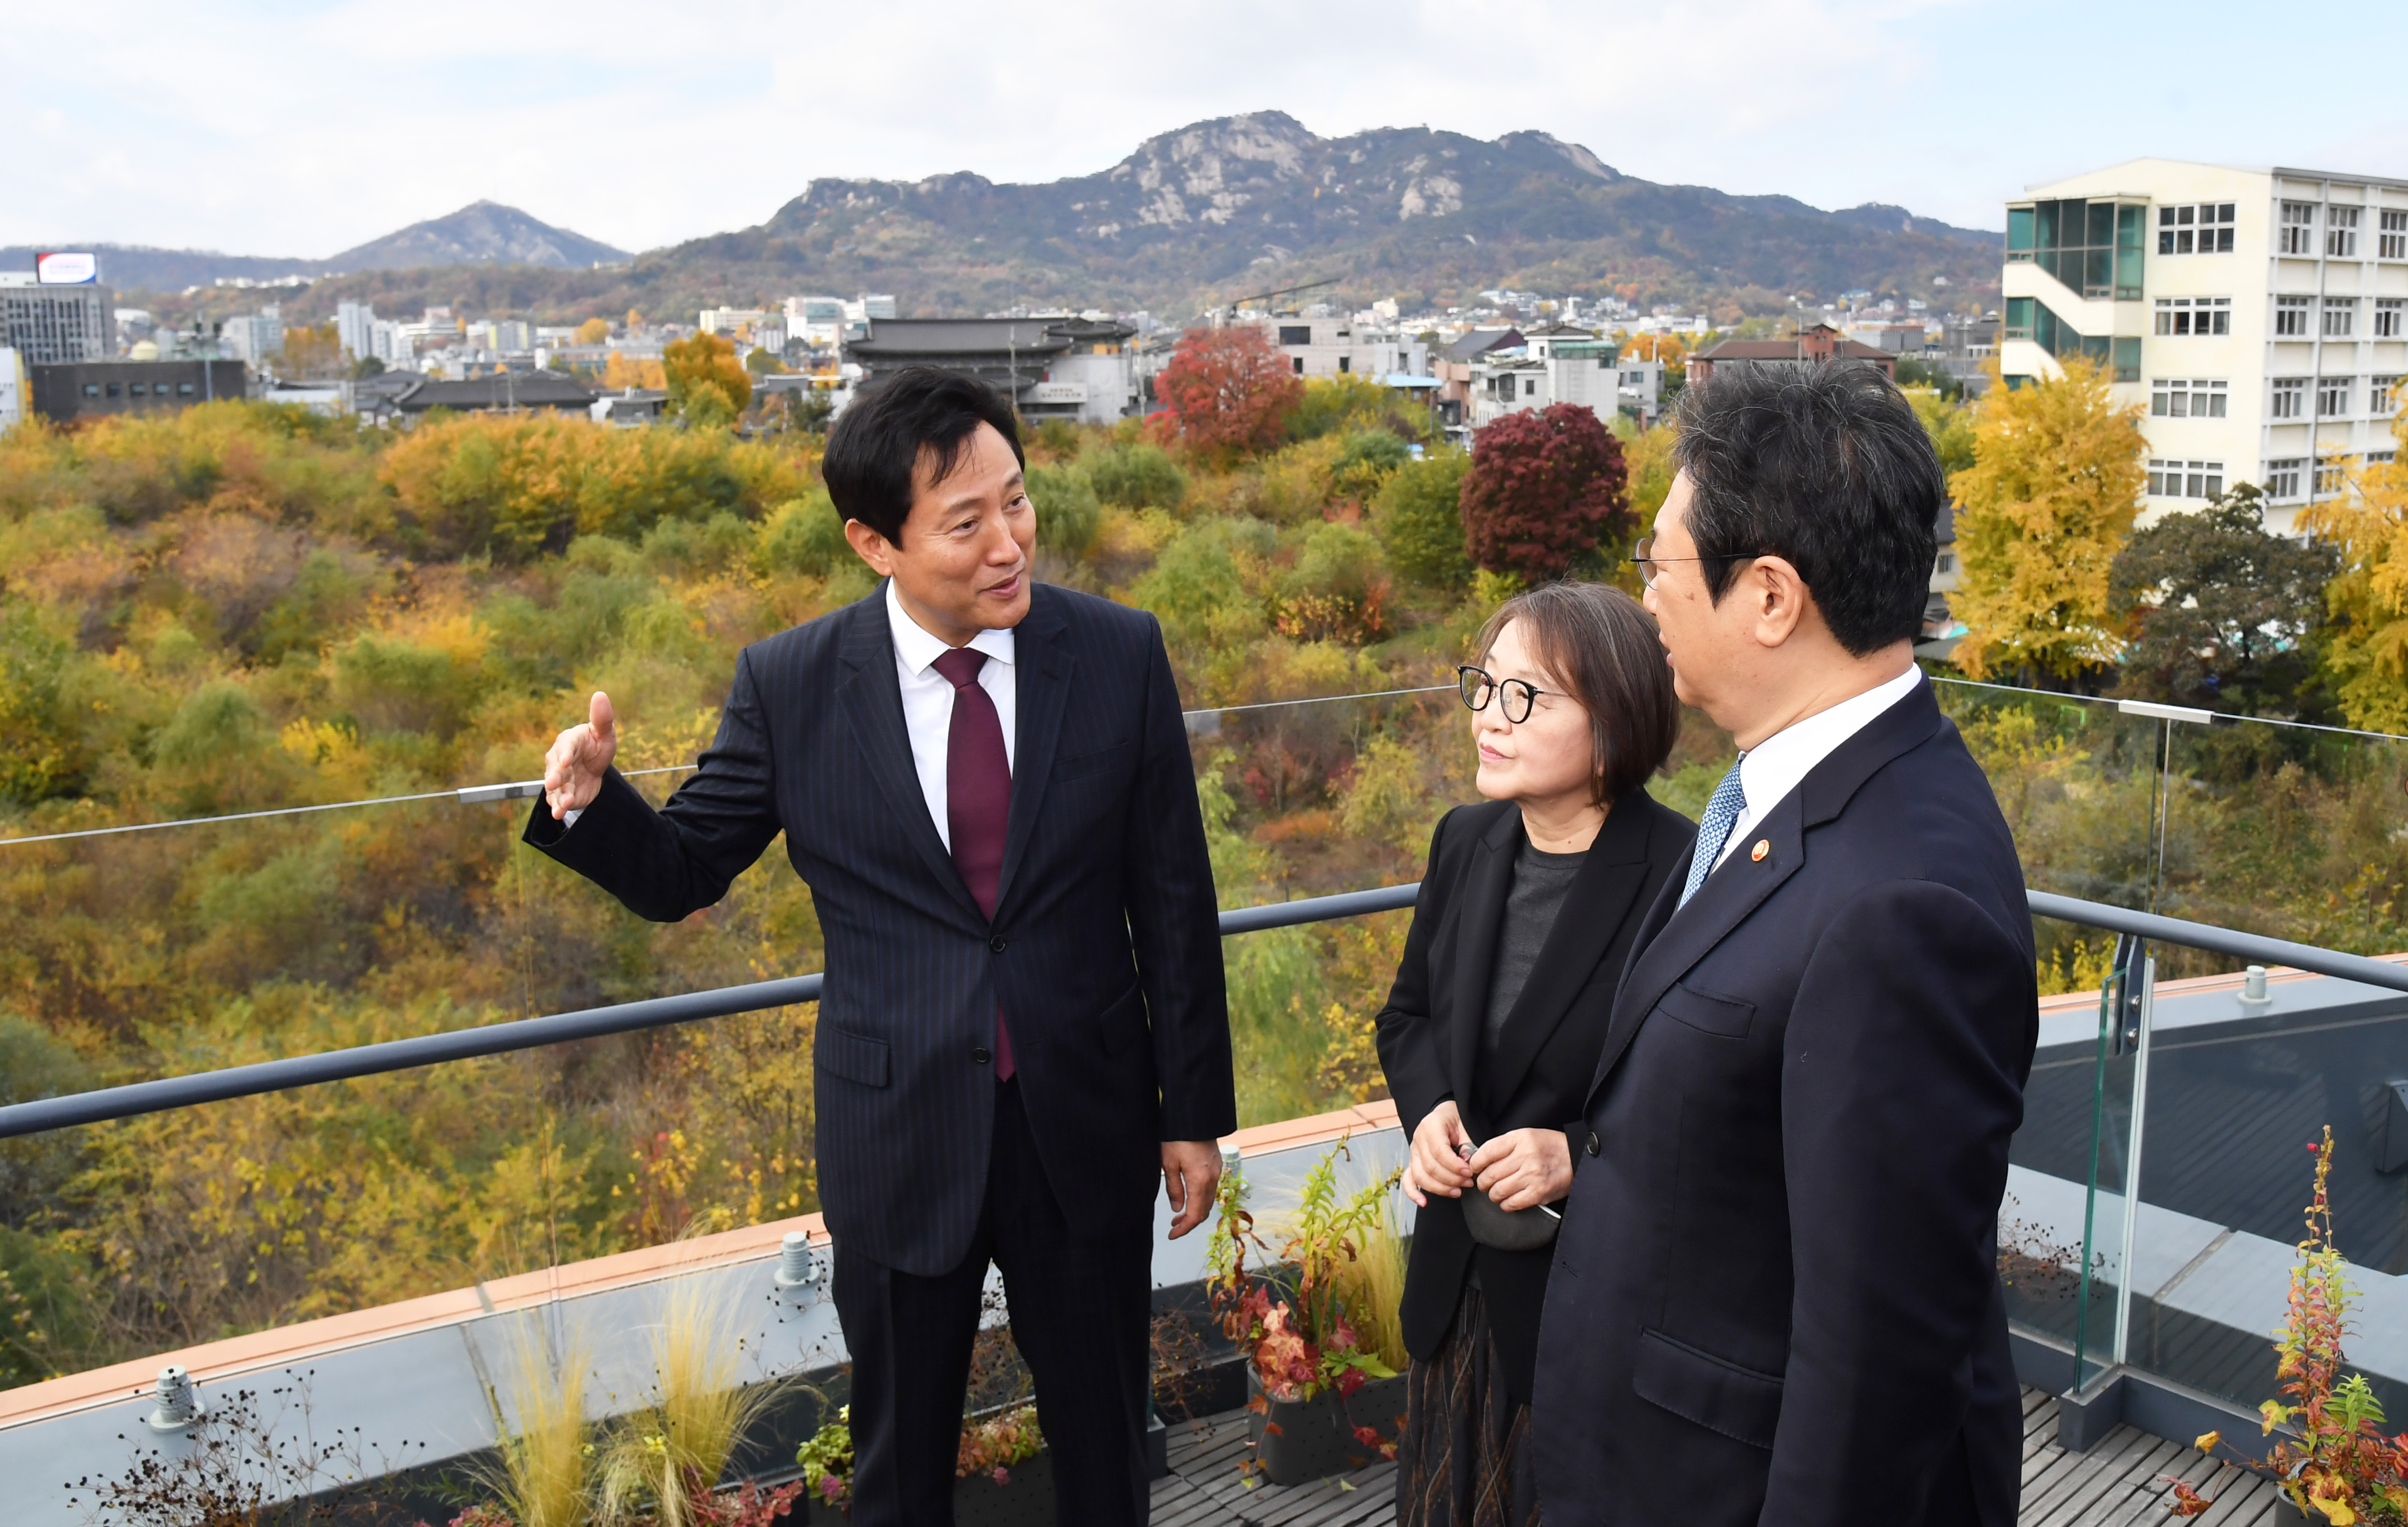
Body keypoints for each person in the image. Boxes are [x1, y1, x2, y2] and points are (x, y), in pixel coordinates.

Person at [525, 366, 1233, 1527]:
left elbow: (1172, 897)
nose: (1009, 541)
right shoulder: (794, 683)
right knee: (901, 1463)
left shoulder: (1116, 653)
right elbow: (684, 871)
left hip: (1086, 1116)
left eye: (1017, 499)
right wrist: (595, 805)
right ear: (874, 541)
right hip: (899, 1131)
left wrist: (1191, 1109)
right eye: (966, 521)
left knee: (1110, 1444)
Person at [1530, 361, 2037, 1527]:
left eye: (1659, 562)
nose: (1645, 596)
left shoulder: (1906, 902)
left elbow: (1880, 1366)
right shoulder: (1799, 792)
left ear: (1769, 595)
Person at [1375, 582, 1694, 1527]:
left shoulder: (1684, 878)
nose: (1489, 717)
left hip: (1582, 1301)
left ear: (1616, 718)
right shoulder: (1466, 840)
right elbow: (1408, 1019)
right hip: (1452, 1296)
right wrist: (1429, 1109)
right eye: (1485, 686)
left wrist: (1575, 1152)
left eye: (1528, 698)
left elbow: (1700, 1106)